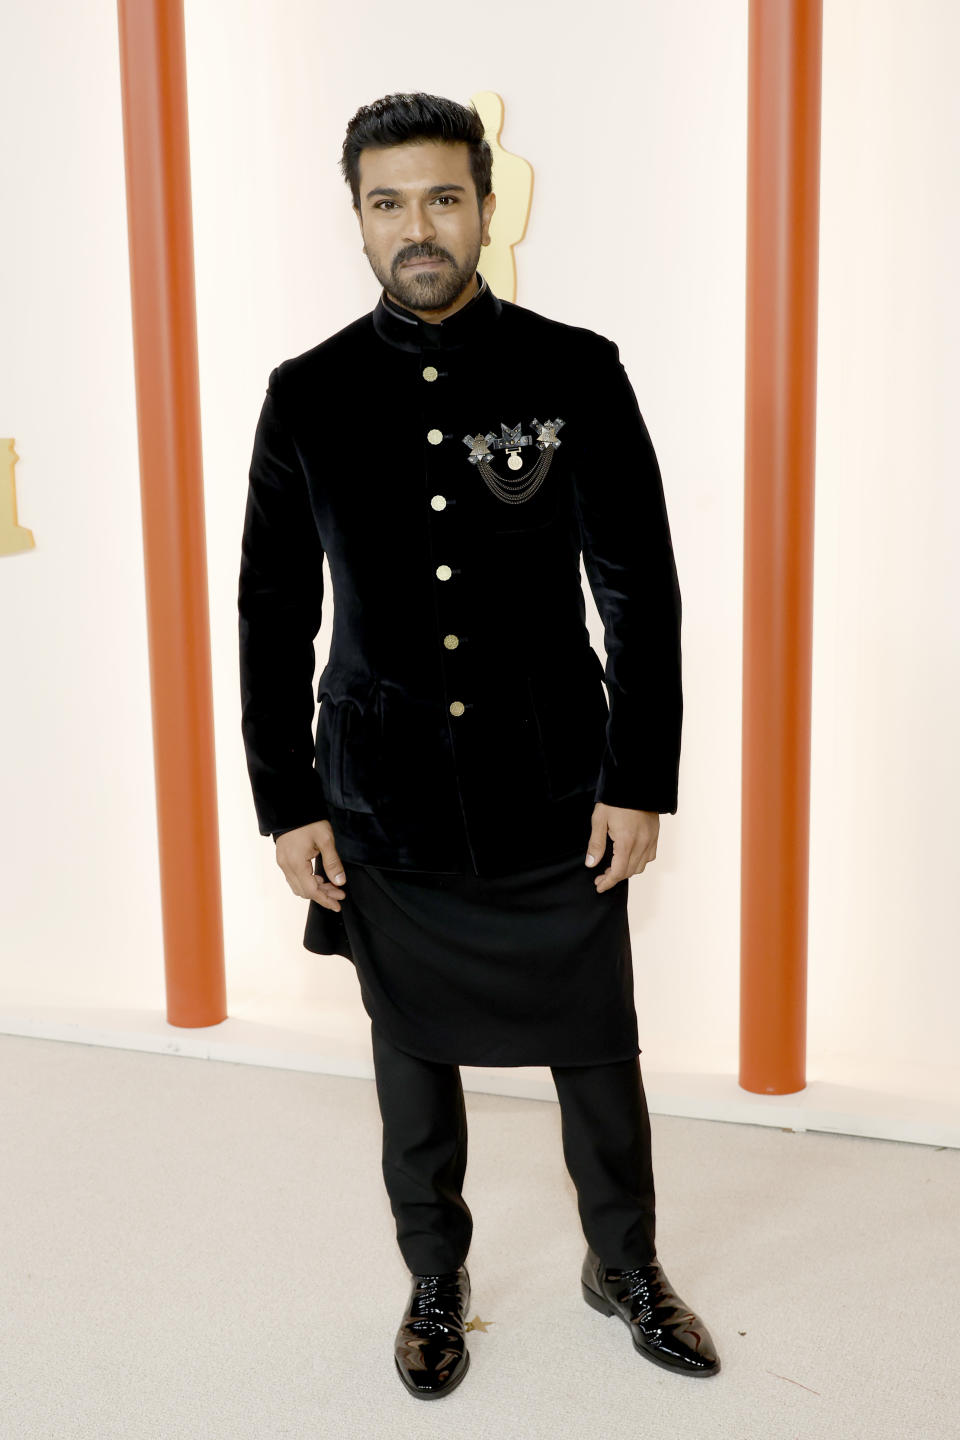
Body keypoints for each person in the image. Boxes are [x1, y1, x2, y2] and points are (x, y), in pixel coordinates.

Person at [238, 91, 720, 1398]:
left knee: (597, 1043)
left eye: (443, 197)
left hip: (555, 781)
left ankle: (624, 1263)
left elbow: (638, 589)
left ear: (487, 208)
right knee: (411, 1053)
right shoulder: (309, 394)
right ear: (356, 220)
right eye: (387, 202)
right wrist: (288, 800)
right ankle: (435, 1279)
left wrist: (639, 776)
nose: (418, 227)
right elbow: (273, 614)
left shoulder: (577, 370)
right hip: (380, 793)